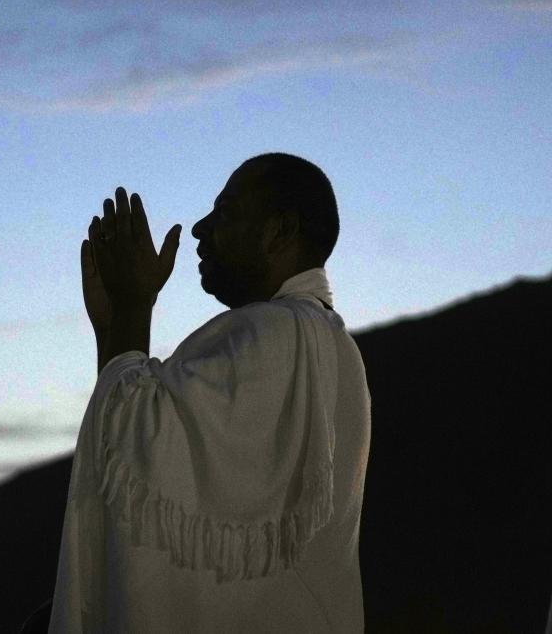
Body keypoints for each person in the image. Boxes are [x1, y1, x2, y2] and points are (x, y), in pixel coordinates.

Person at [42, 153, 371, 632]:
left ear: (280, 231)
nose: (199, 229)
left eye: (225, 213)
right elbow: (138, 462)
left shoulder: (274, 334)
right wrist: (114, 328)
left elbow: (143, 451)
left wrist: (133, 306)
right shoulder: (329, 344)